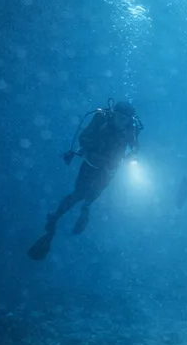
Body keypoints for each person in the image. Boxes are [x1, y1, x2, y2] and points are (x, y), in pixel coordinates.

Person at [27, 99, 142, 261]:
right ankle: (56, 218)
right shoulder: (101, 119)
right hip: (91, 163)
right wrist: (95, 150)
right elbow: (84, 138)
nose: (121, 121)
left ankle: (85, 209)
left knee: (95, 193)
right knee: (79, 193)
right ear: (112, 114)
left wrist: (130, 155)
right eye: (119, 117)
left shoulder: (131, 128)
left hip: (108, 168)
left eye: (125, 119)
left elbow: (135, 147)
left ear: (130, 120)